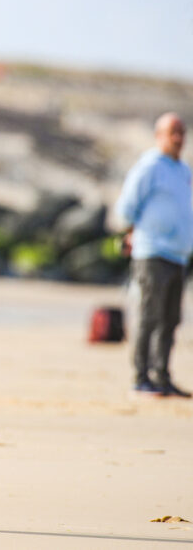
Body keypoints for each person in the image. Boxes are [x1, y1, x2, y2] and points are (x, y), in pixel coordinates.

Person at [115, 112, 193, 398]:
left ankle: (162, 375)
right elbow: (127, 205)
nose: (178, 137)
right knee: (149, 315)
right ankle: (141, 376)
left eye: (182, 132)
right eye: (173, 132)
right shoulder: (149, 166)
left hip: (178, 255)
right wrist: (130, 232)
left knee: (170, 318)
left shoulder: (183, 170)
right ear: (159, 135)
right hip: (152, 251)